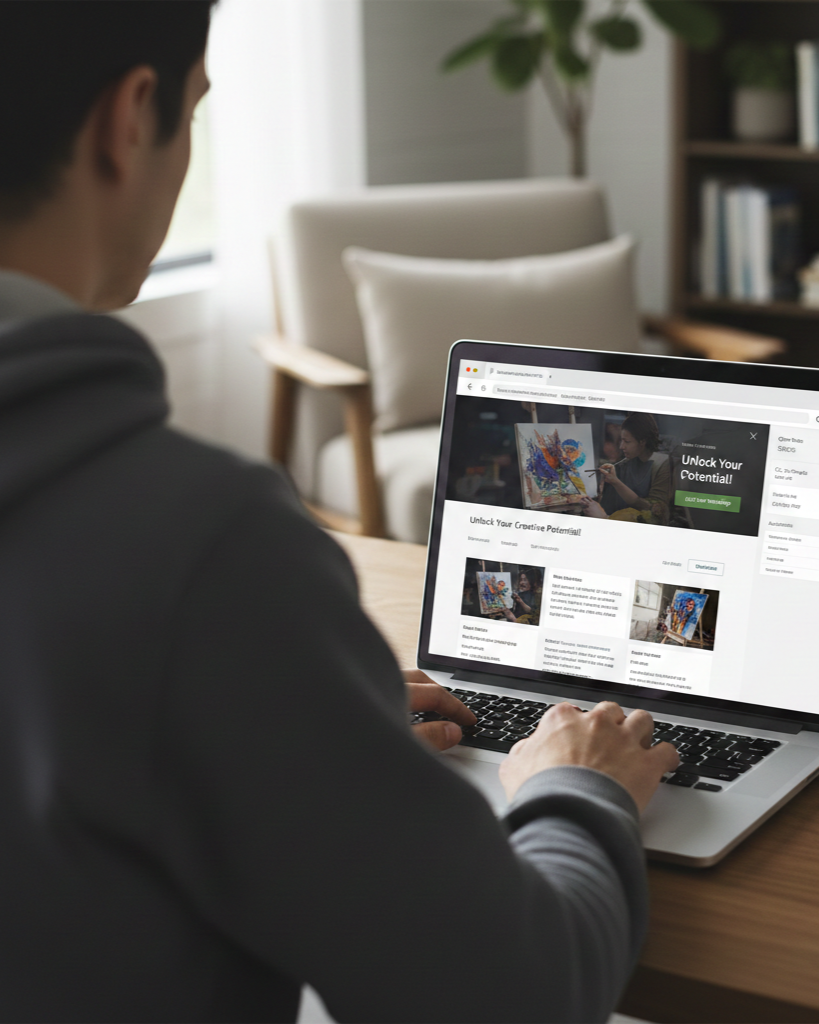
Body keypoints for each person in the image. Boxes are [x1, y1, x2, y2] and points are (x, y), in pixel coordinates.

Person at [0, 4, 678, 1022]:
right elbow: (519, 996)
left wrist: (303, 736)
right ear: (129, 119)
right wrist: (581, 788)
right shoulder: (200, 546)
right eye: (196, 111)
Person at [581, 412, 671, 524]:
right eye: (621, 440)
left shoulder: (662, 464)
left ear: (642, 441)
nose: (621, 446)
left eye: (627, 442)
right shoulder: (627, 462)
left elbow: (654, 511)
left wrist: (616, 483)